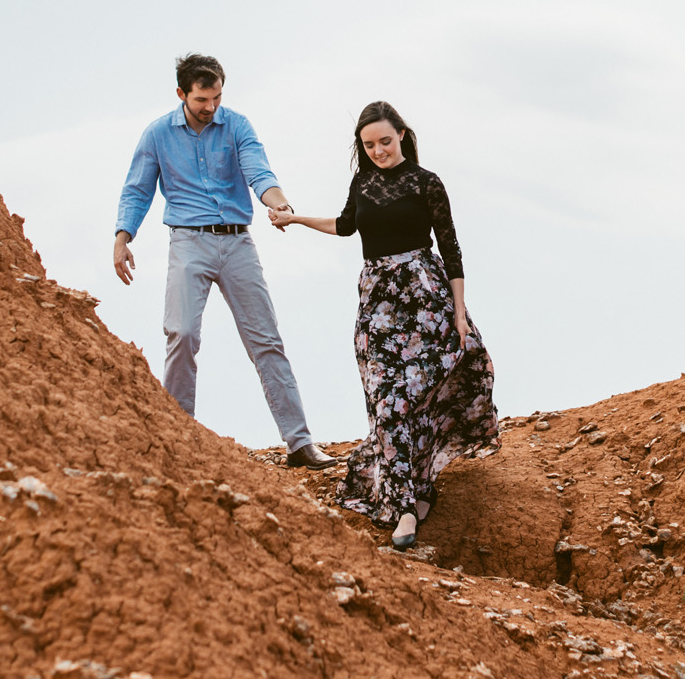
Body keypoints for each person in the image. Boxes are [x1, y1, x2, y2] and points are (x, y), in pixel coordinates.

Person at [272, 100, 499, 547]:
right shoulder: (362, 183)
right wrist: (295, 218)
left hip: (425, 298)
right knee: (386, 399)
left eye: (385, 141)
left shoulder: (426, 183)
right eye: (369, 144)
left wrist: (458, 312)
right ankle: (405, 504)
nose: (378, 151)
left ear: (402, 136)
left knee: (418, 396)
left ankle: (416, 495)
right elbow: (344, 225)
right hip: (377, 303)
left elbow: (451, 250)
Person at [114, 53, 336, 470]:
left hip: (237, 244)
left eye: (216, 97)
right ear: (181, 93)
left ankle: (300, 443)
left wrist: (281, 204)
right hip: (188, 242)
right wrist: (122, 238)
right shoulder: (157, 134)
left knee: (266, 340)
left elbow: (259, 172)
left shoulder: (237, 125)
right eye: (201, 99)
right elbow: (137, 190)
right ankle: (178, 437)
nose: (210, 106)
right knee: (180, 333)